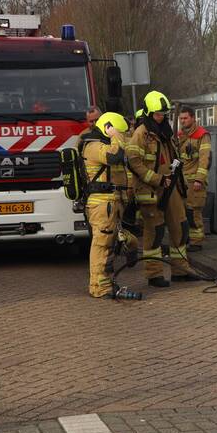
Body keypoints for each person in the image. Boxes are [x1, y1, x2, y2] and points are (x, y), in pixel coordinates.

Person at [125, 91, 193, 287]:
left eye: (164, 114)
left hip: (172, 188)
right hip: (152, 191)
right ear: (148, 113)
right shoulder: (141, 134)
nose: (161, 117)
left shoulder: (166, 132)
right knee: (155, 233)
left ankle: (181, 270)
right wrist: (156, 179)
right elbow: (134, 163)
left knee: (180, 228)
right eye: (157, 114)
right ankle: (154, 274)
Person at [81, 112, 134, 298]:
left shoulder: (103, 144)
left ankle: (102, 283)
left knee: (108, 244)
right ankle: (99, 287)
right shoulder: (94, 146)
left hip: (110, 203)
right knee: (101, 245)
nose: (121, 135)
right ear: (107, 128)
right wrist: (116, 135)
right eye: (118, 131)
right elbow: (114, 157)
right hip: (101, 204)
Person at [176, 106, 212, 250]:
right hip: (181, 181)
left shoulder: (202, 135)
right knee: (182, 212)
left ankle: (196, 242)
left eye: (185, 118)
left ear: (193, 118)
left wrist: (199, 179)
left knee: (193, 212)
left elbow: (205, 159)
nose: (182, 121)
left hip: (194, 182)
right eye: (181, 119)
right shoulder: (179, 135)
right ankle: (186, 239)